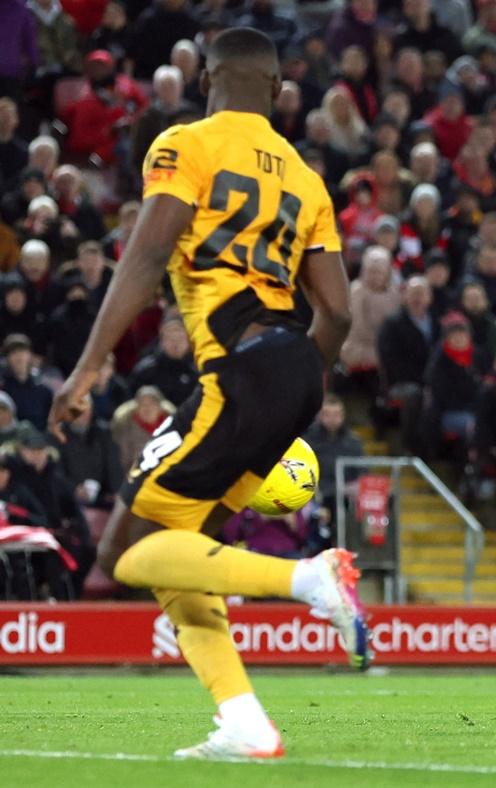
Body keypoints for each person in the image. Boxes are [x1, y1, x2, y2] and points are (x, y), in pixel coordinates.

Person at [48, 28, 369, 760]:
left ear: (205, 79)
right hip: (292, 371)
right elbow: (341, 313)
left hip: (240, 367)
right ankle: (245, 723)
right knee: (179, 549)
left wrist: (89, 367)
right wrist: (295, 383)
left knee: (124, 552)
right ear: (280, 89)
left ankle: (308, 577)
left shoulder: (184, 144)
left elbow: (149, 253)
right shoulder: (306, 177)